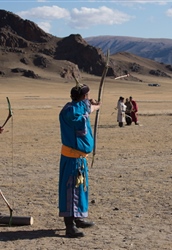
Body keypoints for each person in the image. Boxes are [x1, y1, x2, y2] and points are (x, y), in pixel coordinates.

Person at [59, 83, 101, 238]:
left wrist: (93, 106)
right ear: (83, 97)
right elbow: (80, 112)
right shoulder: (70, 110)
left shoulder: (78, 108)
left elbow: (85, 109)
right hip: (72, 159)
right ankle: (69, 225)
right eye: (87, 96)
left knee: (80, 189)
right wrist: (92, 107)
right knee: (71, 189)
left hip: (79, 159)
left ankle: (78, 218)